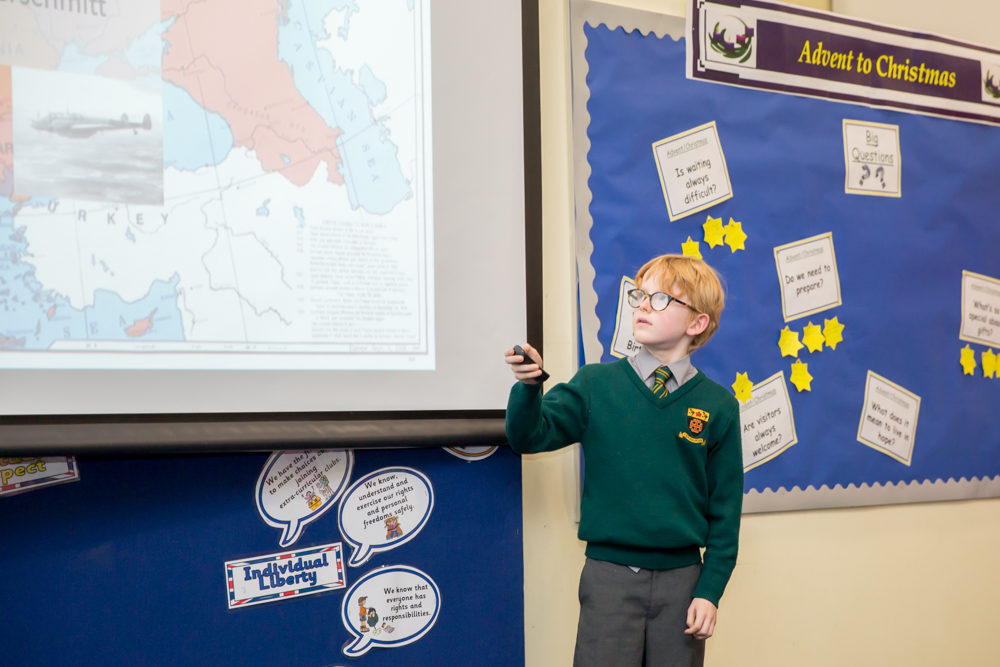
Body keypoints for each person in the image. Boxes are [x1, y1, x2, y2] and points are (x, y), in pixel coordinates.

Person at [505, 254, 743, 667]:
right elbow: (528, 436)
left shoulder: (718, 406)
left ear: (697, 324)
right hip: (609, 578)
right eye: (639, 295)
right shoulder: (596, 385)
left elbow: (726, 511)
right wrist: (529, 389)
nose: (643, 305)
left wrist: (710, 589)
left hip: (684, 583)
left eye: (662, 298)